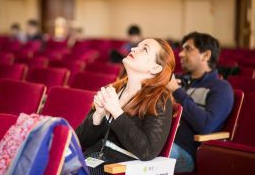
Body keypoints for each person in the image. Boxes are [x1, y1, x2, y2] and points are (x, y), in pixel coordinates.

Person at [76, 38, 175, 174]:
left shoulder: (159, 99)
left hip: (120, 168)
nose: (134, 49)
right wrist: (98, 115)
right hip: (93, 160)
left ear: (156, 68)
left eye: (144, 49)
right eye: (137, 46)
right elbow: (82, 140)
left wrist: (116, 112)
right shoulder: (114, 89)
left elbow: (147, 151)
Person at [167, 32, 234, 173]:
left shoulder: (221, 88)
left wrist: (177, 92)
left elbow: (206, 125)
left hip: (184, 152)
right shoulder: (179, 80)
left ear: (206, 55)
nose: (180, 54)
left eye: (188, 49)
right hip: (159, 141)